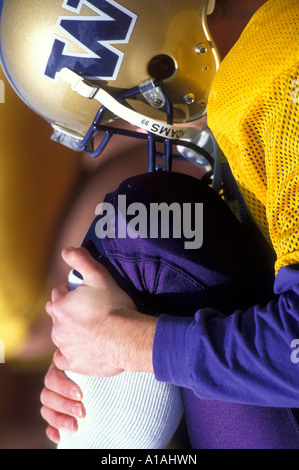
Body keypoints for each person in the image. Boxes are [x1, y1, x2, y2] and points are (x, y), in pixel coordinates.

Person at [2, 0, 299, 449]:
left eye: (124, 104)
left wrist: (126, 343)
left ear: (161, 57)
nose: (135, 125)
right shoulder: (271, 46)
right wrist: (91, 341)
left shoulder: (276, 86)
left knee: (145, 228)